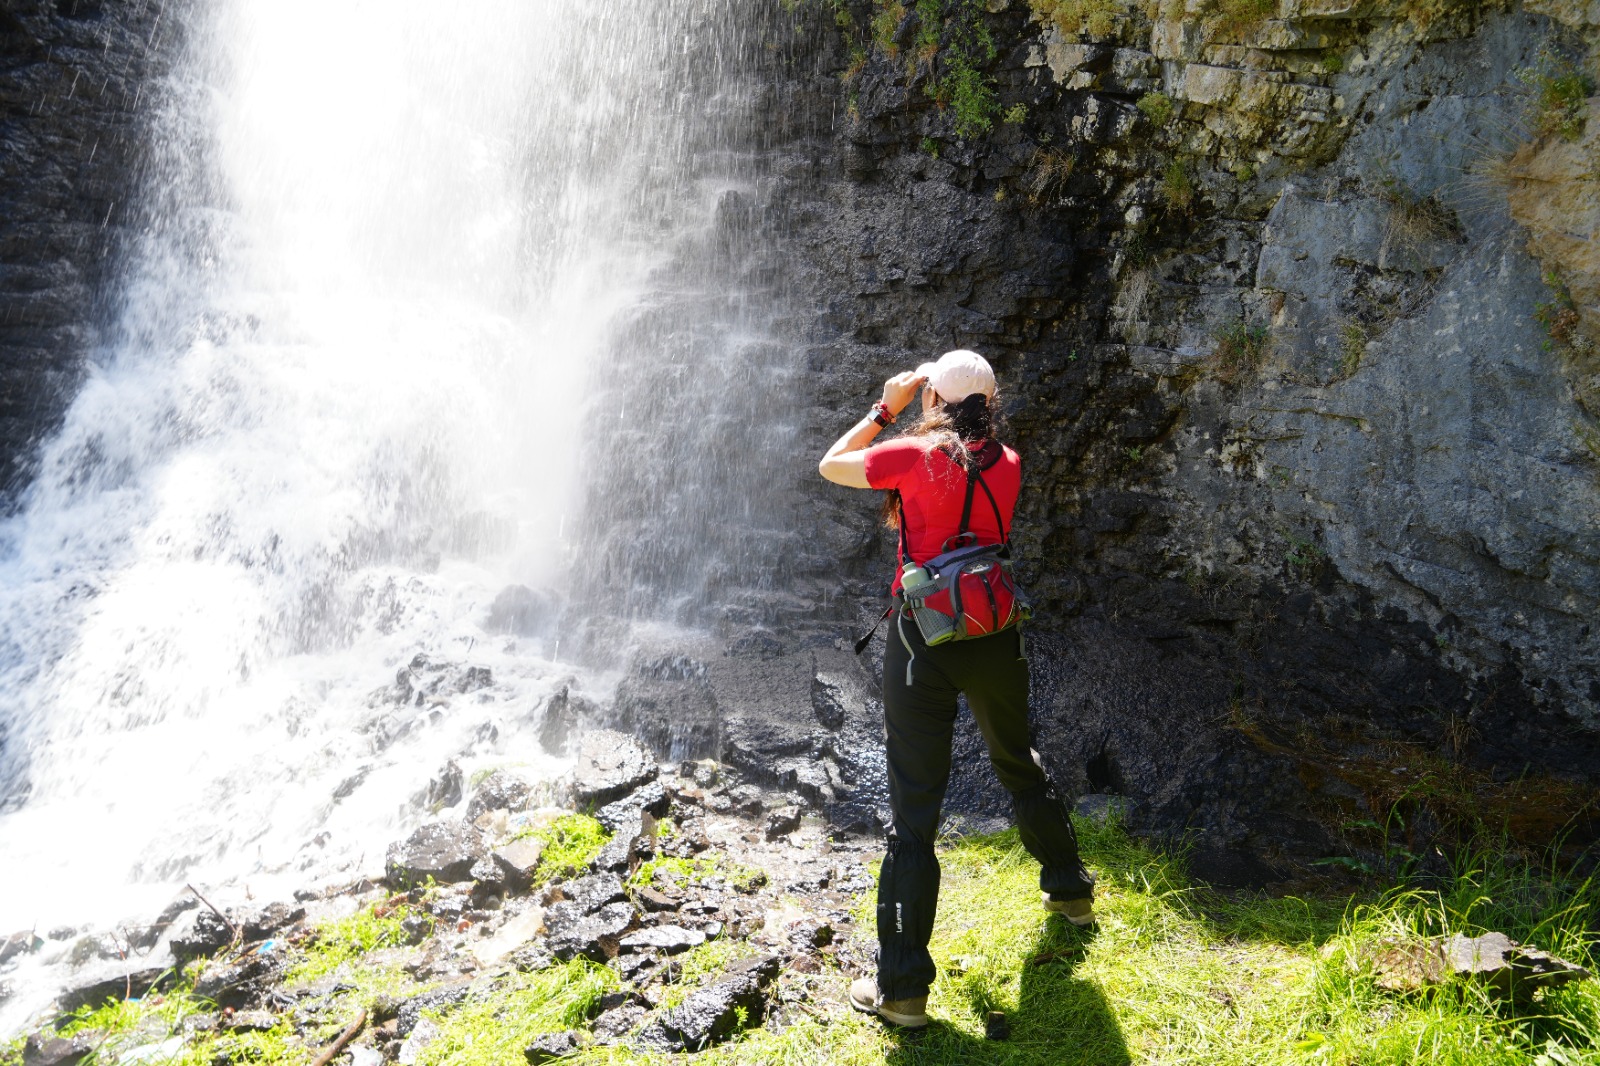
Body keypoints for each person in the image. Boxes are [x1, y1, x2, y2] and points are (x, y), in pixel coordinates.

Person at [818, 349, 1095, 1029]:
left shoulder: (911, 455)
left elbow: (831, 464)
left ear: (933, 400)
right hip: (996, 632)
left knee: (915, 811)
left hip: (923, 642)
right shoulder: (1010, 463)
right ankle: (1070, 893)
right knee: (1018, 762)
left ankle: (904, 992)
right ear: (992, 400)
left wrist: (887, 406)